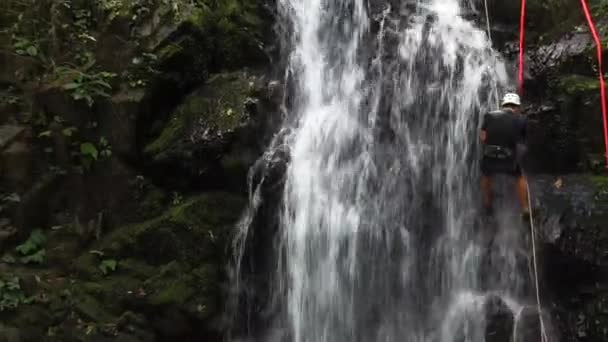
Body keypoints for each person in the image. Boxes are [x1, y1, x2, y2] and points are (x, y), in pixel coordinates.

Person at [480, 93, 530, 220]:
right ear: (517, 107)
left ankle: (487, 204)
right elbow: (522, 141)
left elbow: (483, 137)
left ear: (503, 105)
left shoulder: (489, 116)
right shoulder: (521, 119)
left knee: (486, 175)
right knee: (519, 176)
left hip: (490, 156)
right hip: (508, 159)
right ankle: (525, 208)